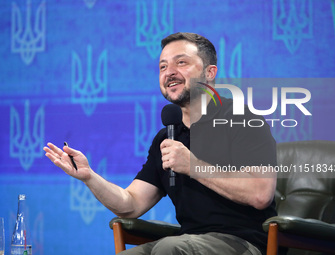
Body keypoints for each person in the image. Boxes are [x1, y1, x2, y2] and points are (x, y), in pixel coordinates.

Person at [44, 32, 278, 255]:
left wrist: (192, 165)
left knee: (168, 249)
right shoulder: (167, 137)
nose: (169, 73)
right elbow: (131, 204)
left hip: (244, 244)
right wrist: (89, 176)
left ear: (209, 72)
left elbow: (260, 194)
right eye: (163, 66)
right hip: (187, 243)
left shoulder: (242, 120)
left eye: (181, 63)